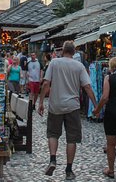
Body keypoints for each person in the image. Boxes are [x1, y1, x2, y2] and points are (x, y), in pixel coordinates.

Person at [38, 41, 98, 180]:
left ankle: (52, 159)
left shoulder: (54, 62)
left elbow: (46, 83)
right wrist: (95, 105)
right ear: (74, 52)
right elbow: (87, 87)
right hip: (72, 106)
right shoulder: (79, 66)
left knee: (53, 134)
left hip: (55, 105)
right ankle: (69, 170)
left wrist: (40, 102)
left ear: (62, 50)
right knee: (72, 138)